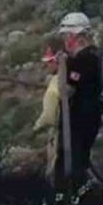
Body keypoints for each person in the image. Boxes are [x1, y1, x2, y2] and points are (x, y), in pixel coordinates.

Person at [54, 12, 103, 205]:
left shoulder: (81, 61)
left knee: (68, 168)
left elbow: (65, 91)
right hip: (88, 121)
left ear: (77, 36)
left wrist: (62, 68)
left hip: (77, 123)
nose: (66, 40)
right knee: (78, 164)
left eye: (68, 36)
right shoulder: (94, 57)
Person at [33, 36, 64, 179]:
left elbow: (49, 117)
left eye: (50, 61)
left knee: (56, 176)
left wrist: (37, 127)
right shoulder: (76, 76)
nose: (47, 65)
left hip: (61, 139)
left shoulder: (55, 84)